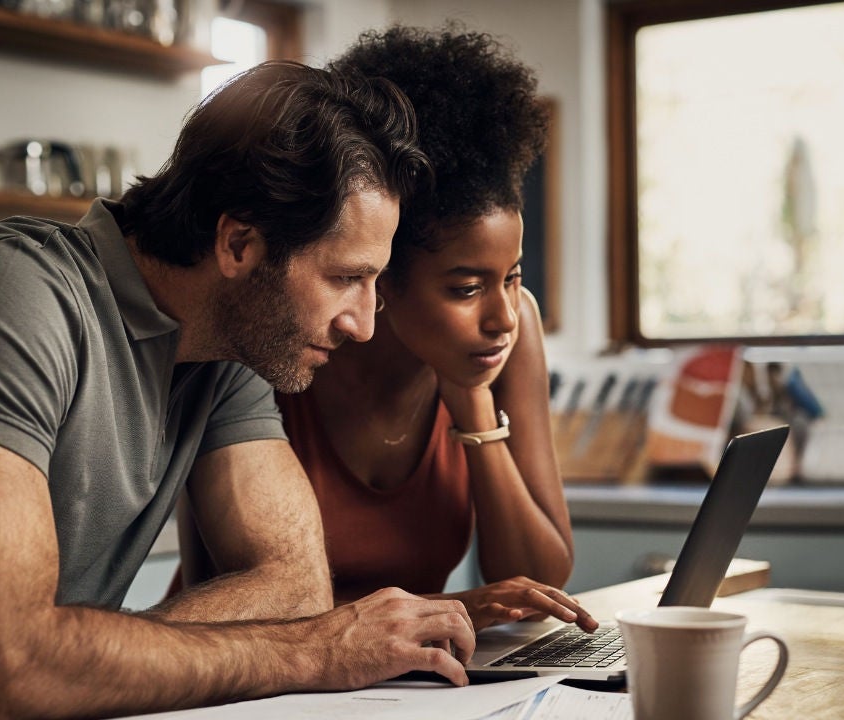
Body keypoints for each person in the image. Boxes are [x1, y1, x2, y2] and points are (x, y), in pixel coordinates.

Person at [0, 61, 478, 720]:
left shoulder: (229, 350)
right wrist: (311, 656)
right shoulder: (6, 300)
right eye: (347, 278)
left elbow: (294, 584)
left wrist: (88, 660)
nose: (365, 324)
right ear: (239, 244)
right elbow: (5, 669)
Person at [174, 27, 598, 634]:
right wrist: (444, 610)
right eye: (465, 288)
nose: (503, 316)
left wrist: (473, 406)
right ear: (381, 276)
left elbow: (541, 580)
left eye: (513, 277)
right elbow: (219, 601)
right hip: (248, 680)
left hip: (398, 680)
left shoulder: (507, 333)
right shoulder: (278, 342)